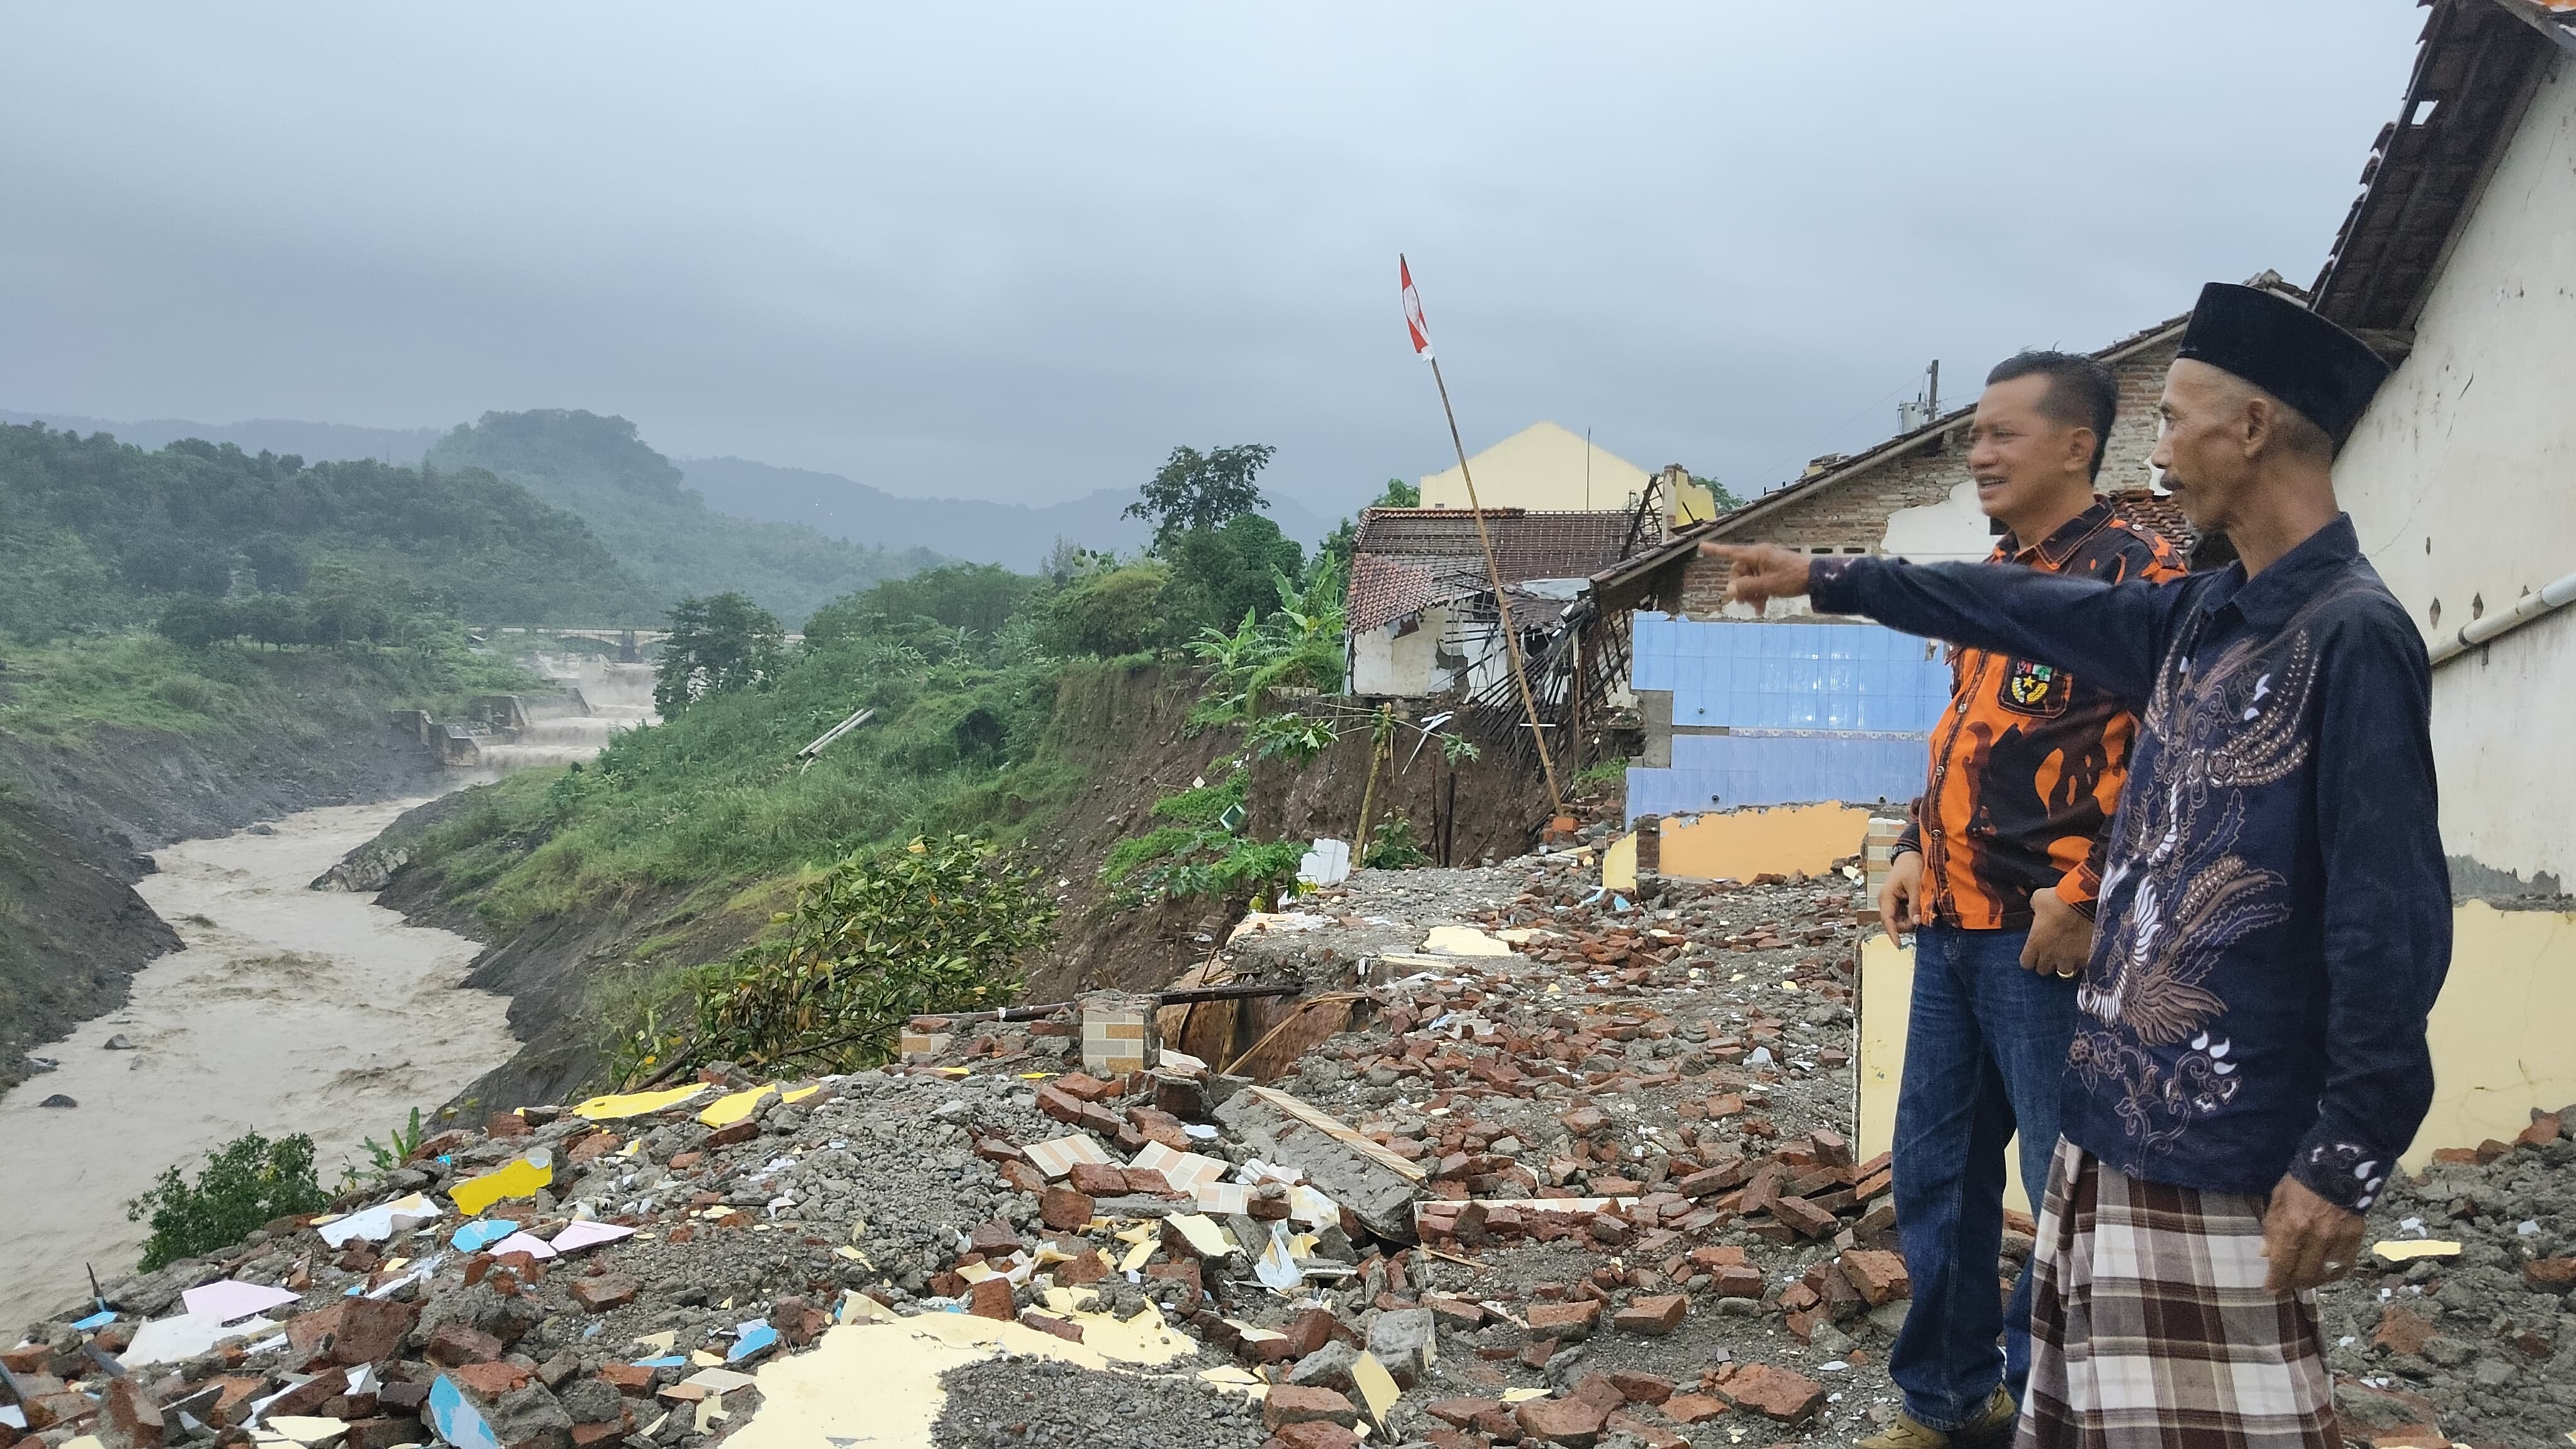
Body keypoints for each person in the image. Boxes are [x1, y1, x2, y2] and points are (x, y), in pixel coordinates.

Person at [1707, 283, 2448, 1448]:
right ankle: (1952, 1401)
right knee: (2100, 1399)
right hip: (2123, 1103)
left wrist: (2348, 1148)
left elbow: (2388, 915)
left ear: (2253, 427)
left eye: (2176, 420)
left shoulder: (2350, 634)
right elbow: (2004, 603)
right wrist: (1828, 578)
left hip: (2226, 1125)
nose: (2159, 453)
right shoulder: (2203, 618)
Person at [1859, 353, 2187, 1449]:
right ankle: (1952, 1404)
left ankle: (2065, 1408)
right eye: (1974, 436)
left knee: (2071, 1193)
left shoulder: (2137, 577)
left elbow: (2176, 760)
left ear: (2077, 445)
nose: (1979, 454)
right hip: (1954, 930)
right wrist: (1915, 845)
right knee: (1936, 1179)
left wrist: (2089, 894)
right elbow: (1968, 739)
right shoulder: (1998, 575)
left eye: (2003, 434)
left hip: (2051, 946)